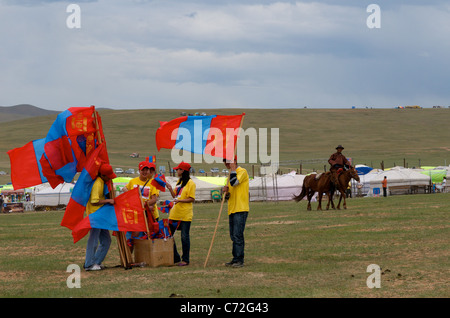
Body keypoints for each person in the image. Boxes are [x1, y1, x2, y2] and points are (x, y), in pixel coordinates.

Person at [84, 163, 116, 271]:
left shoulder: (102, 182)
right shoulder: (98, 183)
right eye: (108, 176)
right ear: (103, 175)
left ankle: (96, 262)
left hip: (100, 216)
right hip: (95, 216)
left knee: (106, 240)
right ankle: (89, 264)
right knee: (93, 240)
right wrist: (108, 200)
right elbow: (94, 201)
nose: (110, 178)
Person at [166, 161, 196, 266]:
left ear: (183, 170)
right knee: (169, 235)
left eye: (178, 169)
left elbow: (191, 199)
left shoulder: (191, 183)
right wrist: (170, 189)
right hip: (174, 213)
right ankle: (175, 257)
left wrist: (180, 201)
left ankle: (185, 259)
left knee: (184, 236)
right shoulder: (179, 182)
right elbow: (176, 196)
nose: (176, 171)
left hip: (185, 214)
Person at [223, 157, 249, 268]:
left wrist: (233, 169)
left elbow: (234, 183)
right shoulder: (229, 176)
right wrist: (226, 192)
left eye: (228, 162)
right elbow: (228, 195)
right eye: (225, 163)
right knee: (233, 235)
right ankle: (235, 258)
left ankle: (240, 259)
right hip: (232, 208)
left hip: (241, 208)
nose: (226, 165)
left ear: (233, 162)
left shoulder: (242, 172)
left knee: (238, 235)